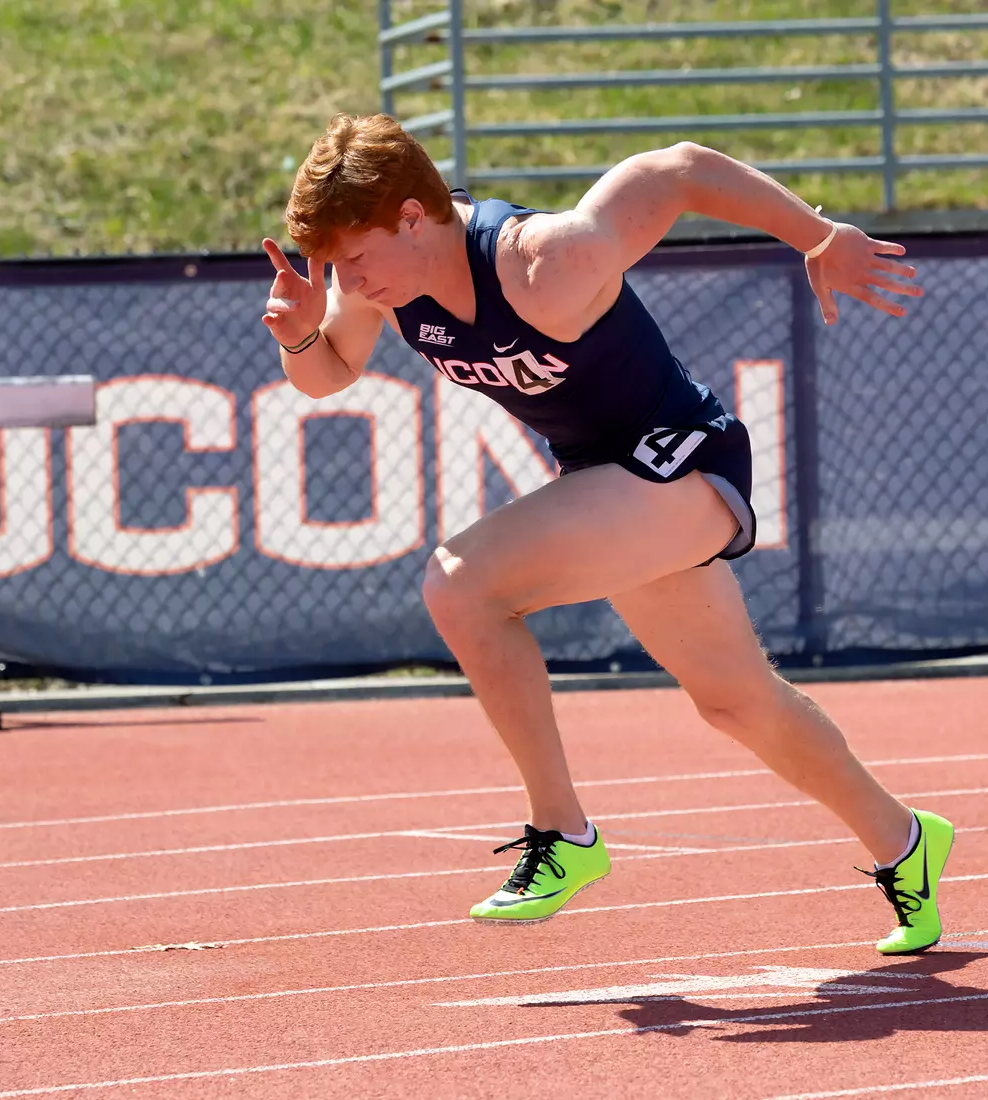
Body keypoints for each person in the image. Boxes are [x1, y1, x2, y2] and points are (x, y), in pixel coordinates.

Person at [260, 113, 952, 954]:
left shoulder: (545, 260)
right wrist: (300, 330)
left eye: (355, 261)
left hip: (682, 462)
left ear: (412, 216)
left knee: (461, 584)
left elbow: (681, 167)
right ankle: (907, 843)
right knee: (736, 703)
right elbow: (328, 373)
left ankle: (564, 835)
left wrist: (818, 236)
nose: (350, 284)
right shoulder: (384, 288)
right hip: (609, 485)